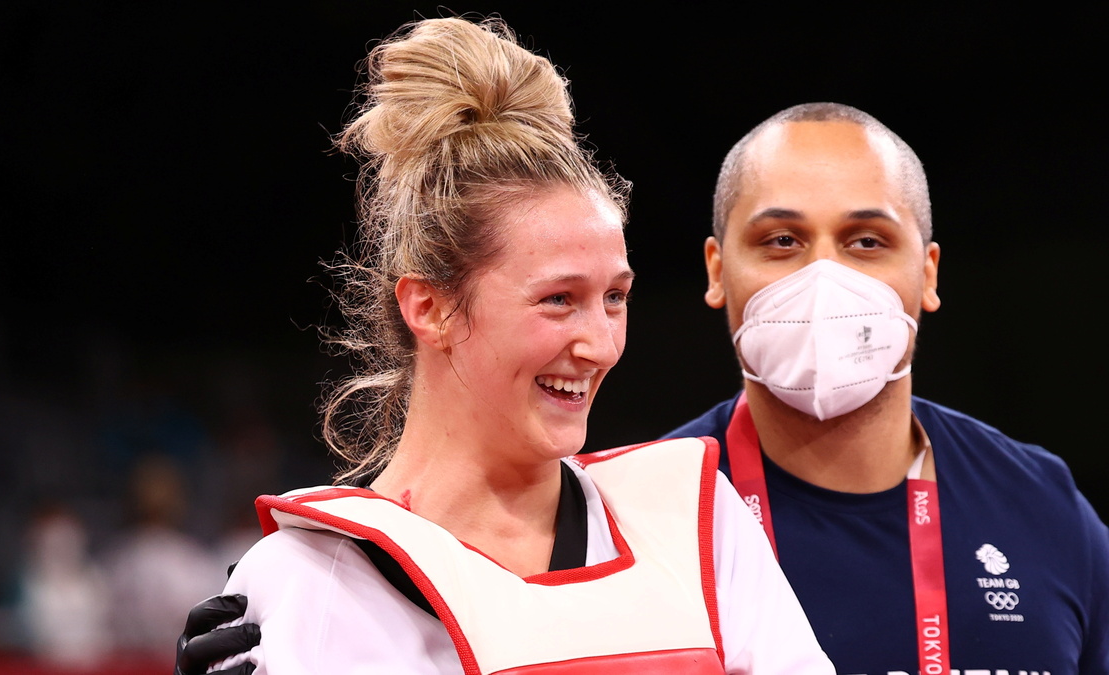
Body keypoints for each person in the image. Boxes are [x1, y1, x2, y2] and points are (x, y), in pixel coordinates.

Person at [175, 17, 833, 675]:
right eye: (559, 299)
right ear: (430, 307)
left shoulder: (694, 521)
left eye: (615, 297)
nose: (601, 345)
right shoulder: (317, 580)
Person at [664, 102, 1109, 675]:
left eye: (867, 242)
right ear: (716, 270)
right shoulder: (649, 514)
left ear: (927, 273)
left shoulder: (1042, 504)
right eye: (782, 240)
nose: (824, 279)